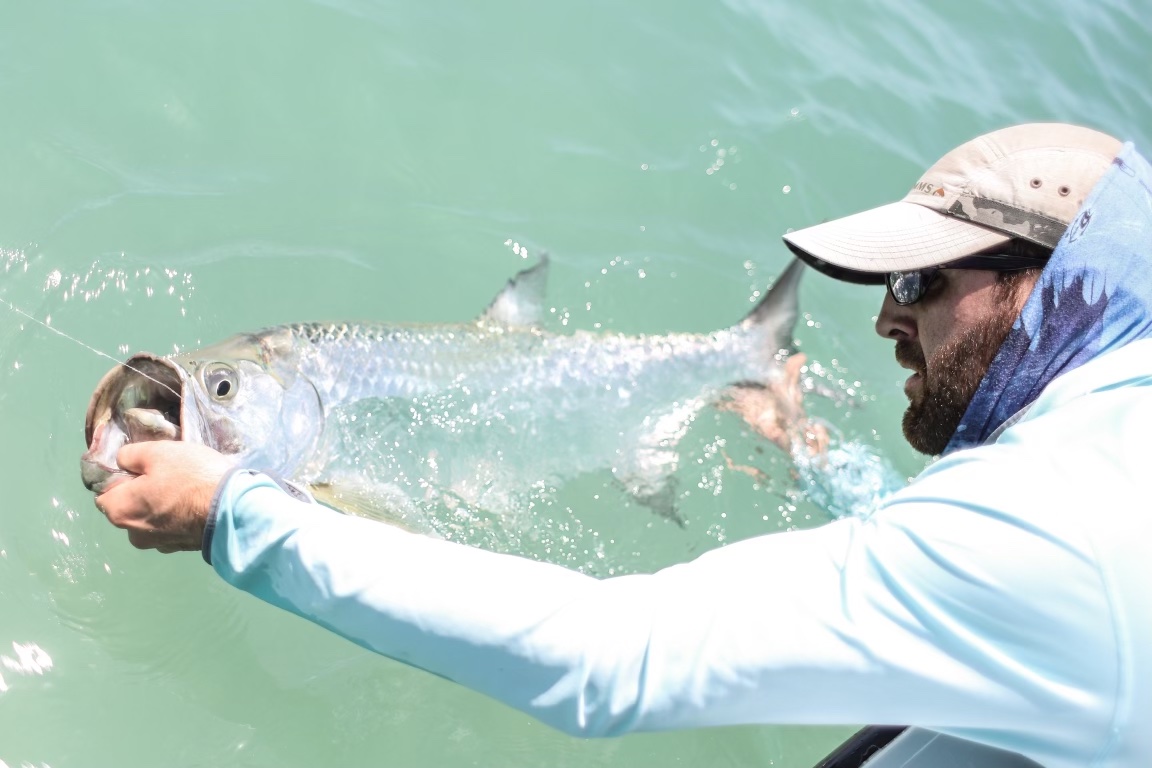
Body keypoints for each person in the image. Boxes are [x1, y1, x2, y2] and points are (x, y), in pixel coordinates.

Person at [93, 123, 1152, 768]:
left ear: (1057, 287)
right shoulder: (1103, 441)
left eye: (920, 282)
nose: (884, 317)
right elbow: (954, 565)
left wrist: (233, 514)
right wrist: (823, 460)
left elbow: (617, 663)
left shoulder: (1054, 535)